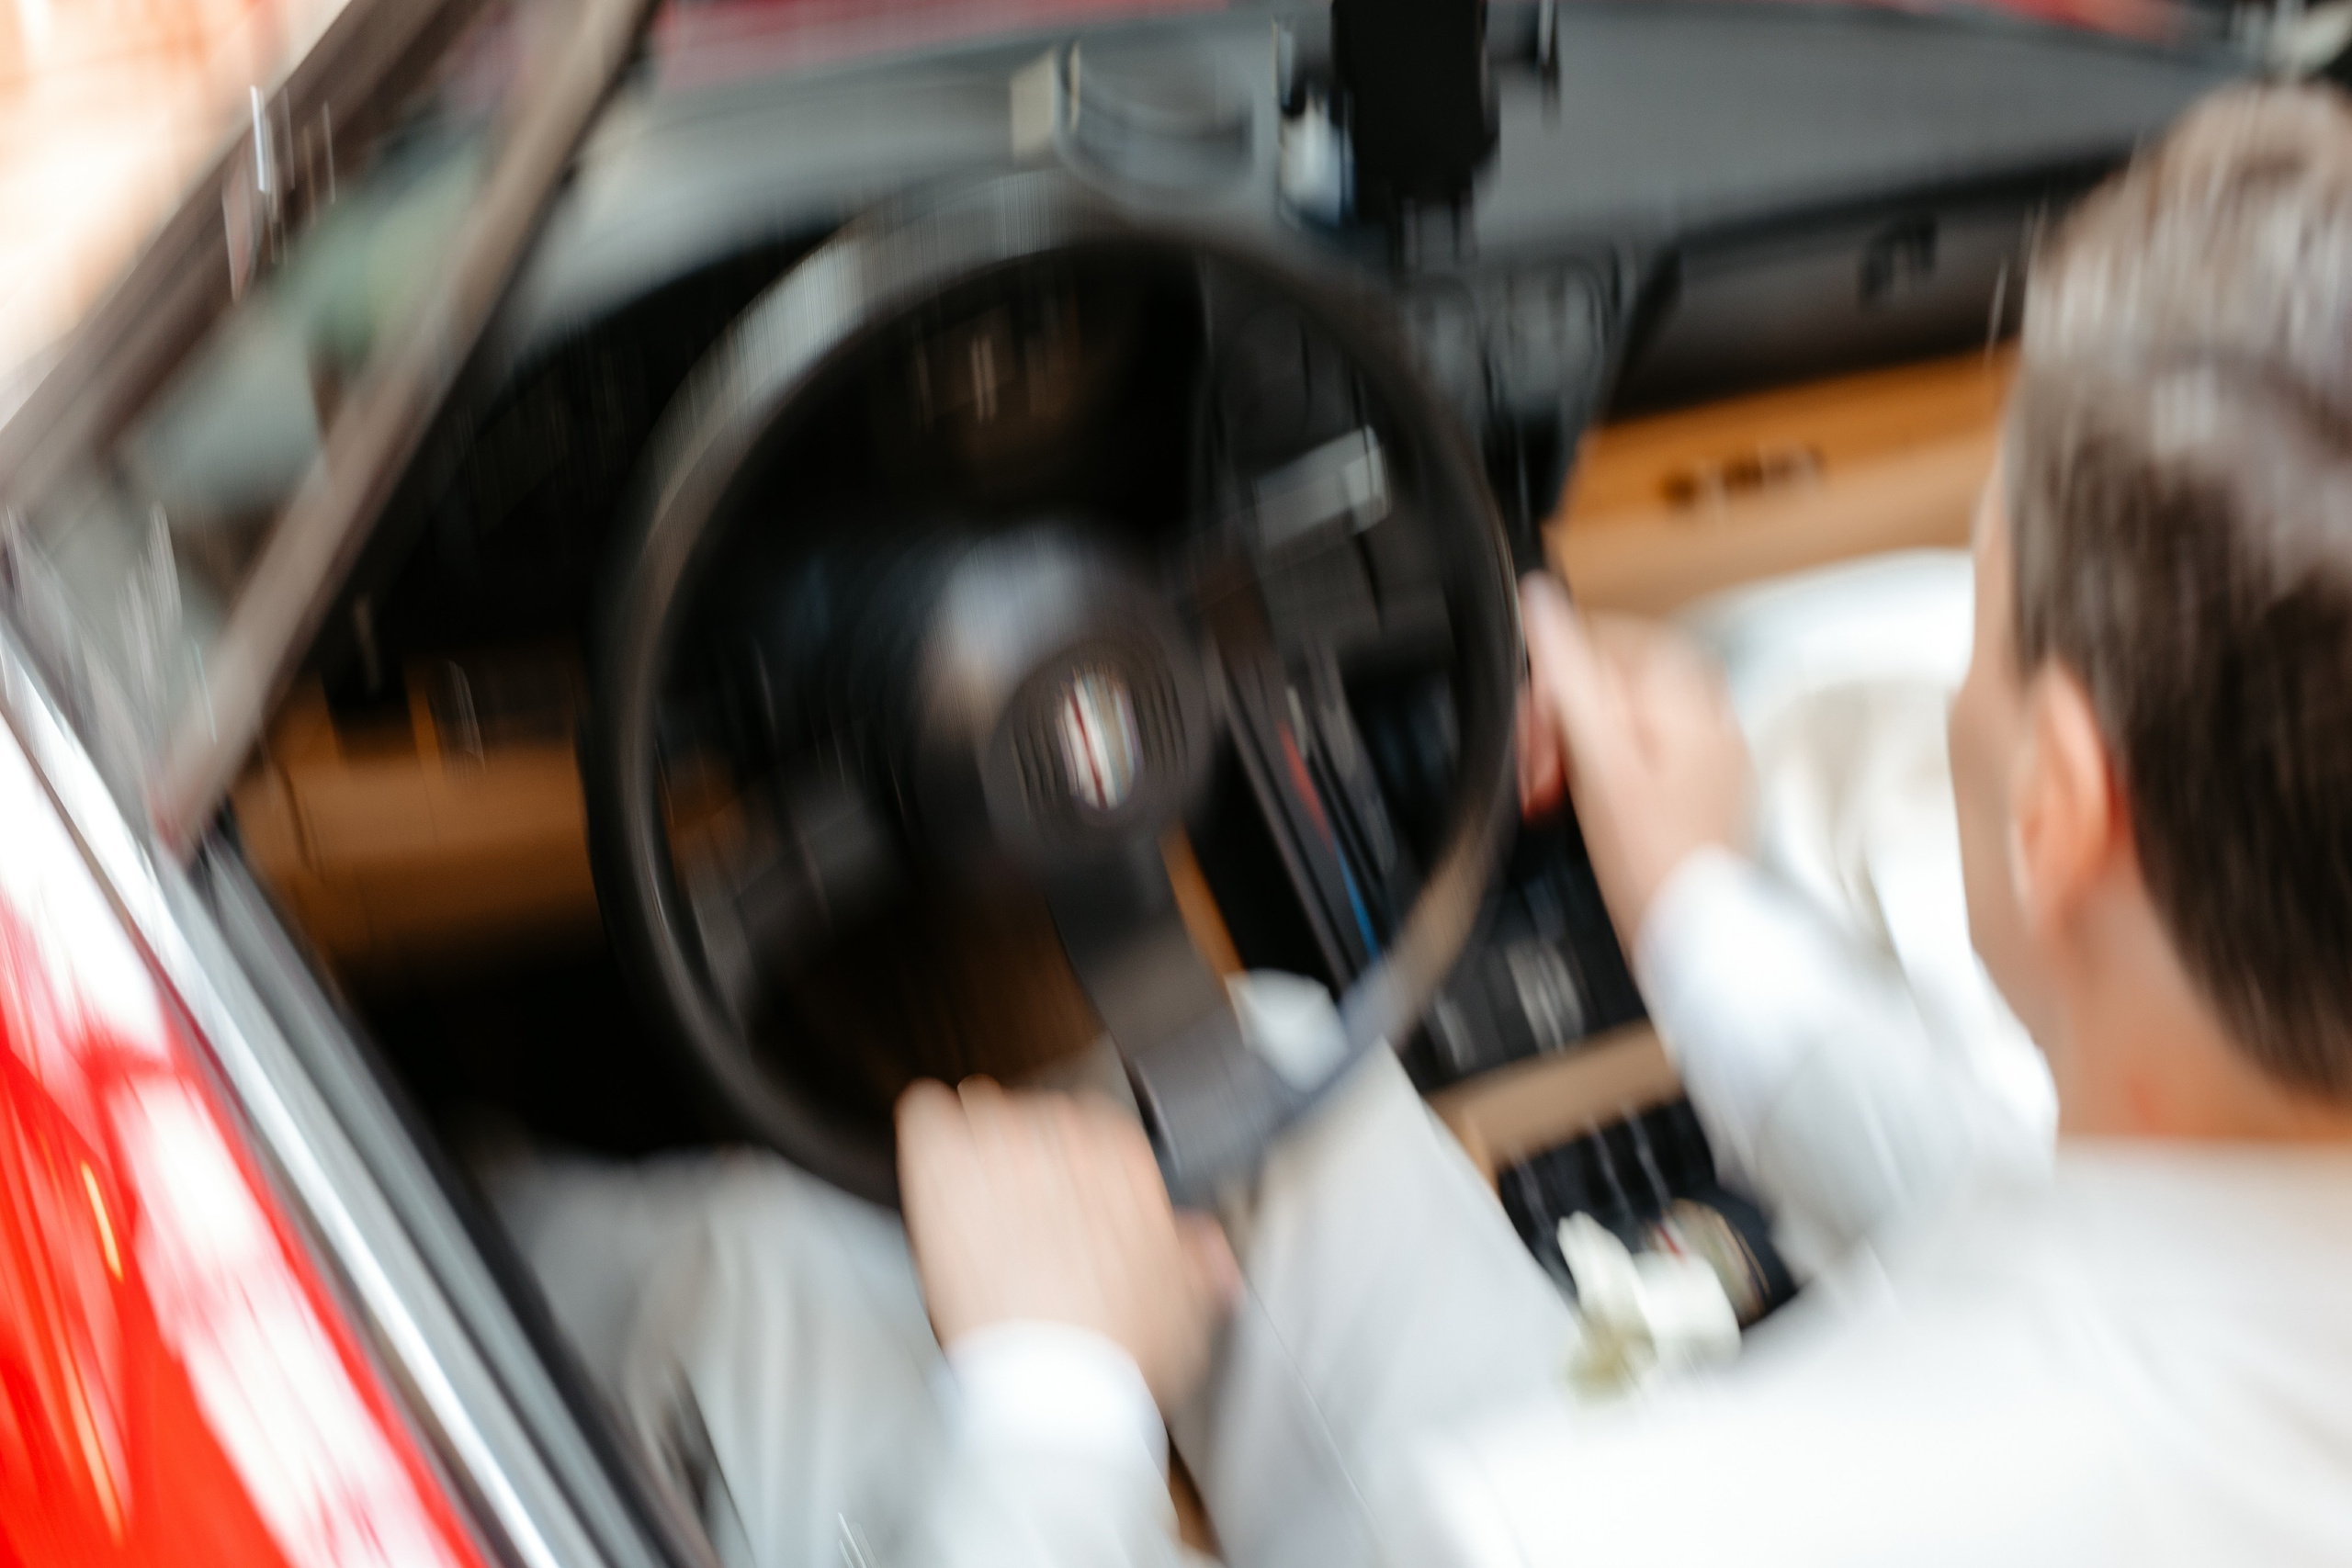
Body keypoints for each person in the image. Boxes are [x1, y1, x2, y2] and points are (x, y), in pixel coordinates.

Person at [491, 82, 2352, 1568]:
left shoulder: (1558, 1536)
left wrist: (1056, 1391)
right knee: (1266, 1083)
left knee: (754, 1284)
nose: (1962, 669)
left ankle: (468, 1207)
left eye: (1983, 618)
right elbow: (2045, 1206)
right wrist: (1695, 911)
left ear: (2055, 806)